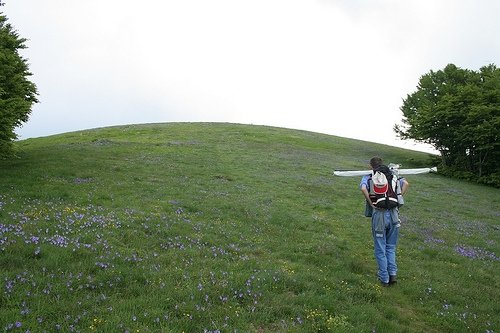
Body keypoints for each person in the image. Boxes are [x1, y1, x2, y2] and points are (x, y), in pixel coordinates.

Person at [360, 156, 409, 287]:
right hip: (394, 214)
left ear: (371, 166)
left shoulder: (370, 175)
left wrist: (371, 203)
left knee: (380, 247)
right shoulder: (392, 174)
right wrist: (397, 198)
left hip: (379, 215)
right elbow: (406, 184)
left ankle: (384, 278)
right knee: (391, 247)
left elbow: (364, 188)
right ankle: (393, 274)